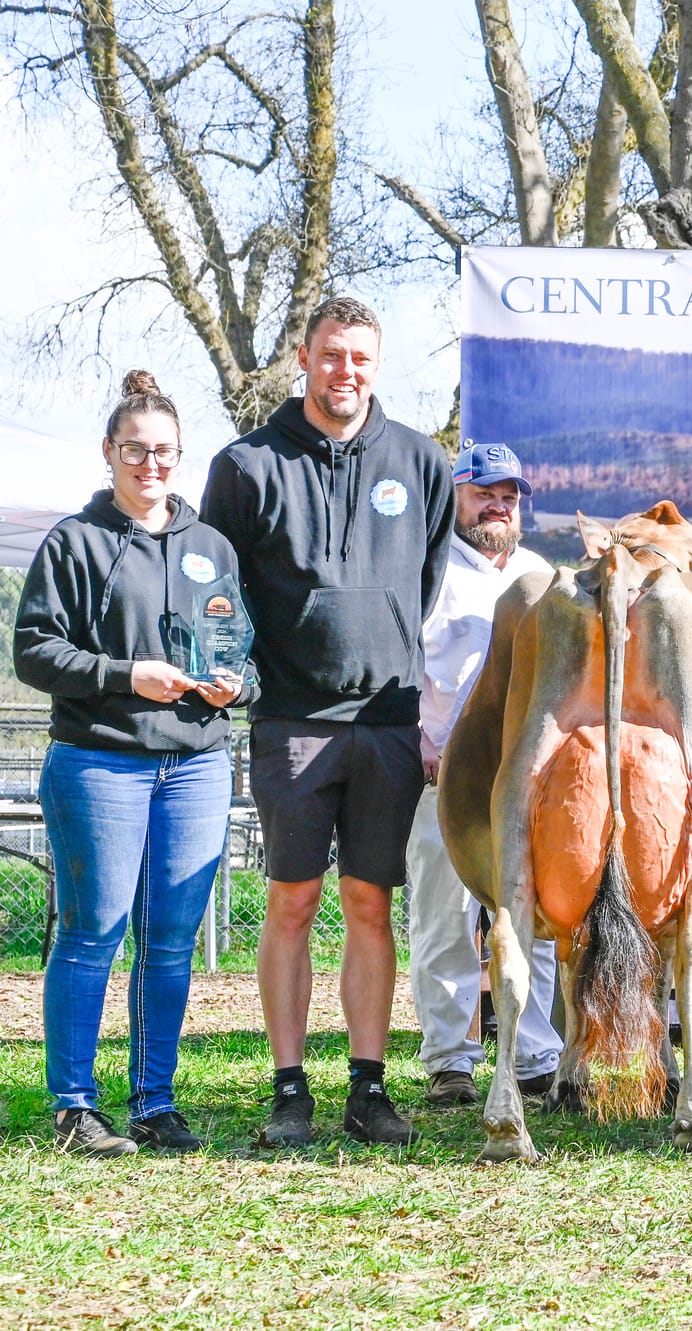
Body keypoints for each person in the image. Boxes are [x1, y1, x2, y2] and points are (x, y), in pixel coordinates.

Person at [203, 295, 452, 1147]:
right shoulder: (246, 465)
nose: (346, 370)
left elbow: (425, 584)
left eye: (361, 358)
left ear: (376, 366)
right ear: (304, 357)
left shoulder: (421, 462)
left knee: (370, 904)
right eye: (332, 354)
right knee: (293, 900)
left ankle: (369, 1088)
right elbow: (217, 590)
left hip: (387, 720)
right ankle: (288, 1088)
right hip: (293, 720)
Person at [14, 371, 253, 1155]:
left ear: (181, 456)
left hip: (195, 764)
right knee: (94, 932)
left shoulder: (211, 545)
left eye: (164, 452)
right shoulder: (75, 542)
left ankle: (155, 1100)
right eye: (135, 450)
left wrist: (237, 684)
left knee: (171, 939)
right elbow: (35, 650)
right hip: (100, 761)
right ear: (110, 451)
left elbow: (237, 640)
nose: (151, 464)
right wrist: (126, 675)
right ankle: (75, 1107)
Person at [406, 443, 561, 1107]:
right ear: (457, 499)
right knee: (447, 915)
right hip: (451, 775)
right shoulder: (428, 570)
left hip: (532, 777)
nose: (498, 504)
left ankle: (534, 1056)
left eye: (509, 493)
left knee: (538, 918)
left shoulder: (545, 575)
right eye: (482, 492)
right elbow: (401, 662)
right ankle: (449, 1060)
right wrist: (417, 735)